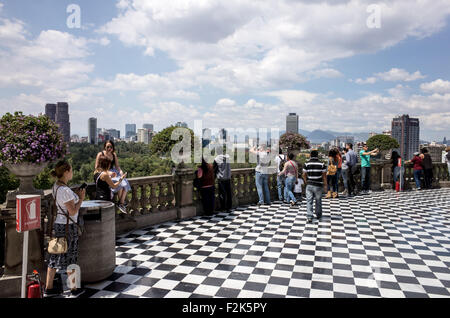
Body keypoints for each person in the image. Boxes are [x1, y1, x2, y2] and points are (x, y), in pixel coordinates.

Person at [45, 160, 85, 298]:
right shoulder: (65, 190)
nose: (72, 172)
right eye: (71, 170)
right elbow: (73, 211)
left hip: (59, 224)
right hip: (68, 227)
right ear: (66, 172)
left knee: (55, 255)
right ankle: (74, 288)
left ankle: (48, 288)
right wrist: (80, 198)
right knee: (71, 257)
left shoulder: (56, 186)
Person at [95, 140, 131, 212]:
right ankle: (121, 203)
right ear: (105, 147)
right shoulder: (100, 154)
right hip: (105, 172)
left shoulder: (114, 155)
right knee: (120, 184)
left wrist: (120, 172)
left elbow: (117, 166)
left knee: (125, 182)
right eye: (108, 147)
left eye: (111, 147)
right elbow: (96, 168)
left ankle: (121, 202)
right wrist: (108, 172)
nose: (109, 148)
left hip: (114, 171)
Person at [303, 150, 327, 223]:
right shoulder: (322, 164)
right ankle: (318, 214)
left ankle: (309, 216)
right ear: (317, 156)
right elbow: (324, 176)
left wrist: (306, 181)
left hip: (309, 184)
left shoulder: (306, 164)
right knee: (318, 200)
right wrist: (325, 185)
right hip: (318, 185)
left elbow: (304, 174)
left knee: (309, 201)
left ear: (310, 155)